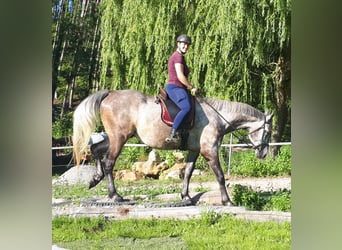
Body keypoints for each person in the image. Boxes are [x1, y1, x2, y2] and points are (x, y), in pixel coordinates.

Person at [165, 34, 199, 143]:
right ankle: (173, 133)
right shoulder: (177, 57)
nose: (186, 47)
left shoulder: (180, 57)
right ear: (178, 44)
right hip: (175, 87)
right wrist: (191, 87)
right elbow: (180, 76)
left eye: (187, 45)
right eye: (184, 44)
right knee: (186, 108)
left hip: (179, 88)